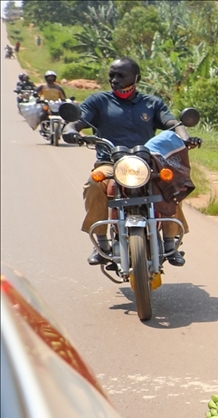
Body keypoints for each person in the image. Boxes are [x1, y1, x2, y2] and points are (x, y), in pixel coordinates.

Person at [62, 57, 193, 266]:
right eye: (112, 75)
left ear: (136, 78)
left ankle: (170, 242)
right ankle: (102, 242)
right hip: (110, 163)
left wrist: (184, 136)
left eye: (120, 75)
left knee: (170, 183)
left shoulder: (152, 103)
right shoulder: (99, 101)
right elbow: (78, 121)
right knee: (94, 183)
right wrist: (70, 130)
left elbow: (172, 122)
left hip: (146, 162)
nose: (114, 79)